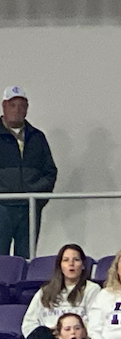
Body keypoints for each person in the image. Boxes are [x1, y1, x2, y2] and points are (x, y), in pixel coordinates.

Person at [0, 84, 57, 259]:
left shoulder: (37, 137)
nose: (17, 110)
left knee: (27, 258)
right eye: (12, 105)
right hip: (2, 207)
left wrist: (37, 199)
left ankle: (23, 288)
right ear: (4, 106)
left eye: (21, 105)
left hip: (29, 209)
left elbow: (50, 172)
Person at [22, 243, 100, 339]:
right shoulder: (45, 290)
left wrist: (67, 332)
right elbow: (29, 323)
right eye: (66, 260)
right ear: (60, 265)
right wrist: (53, 333)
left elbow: (95, 321)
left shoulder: (92, 289)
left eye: (76, 260)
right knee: (41, 334)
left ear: (83, 265)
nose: (71, 264)